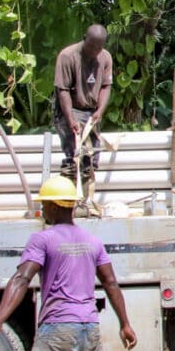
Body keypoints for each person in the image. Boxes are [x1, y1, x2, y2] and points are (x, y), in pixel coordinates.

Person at [0, 175, 136, 351]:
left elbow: (21, 279)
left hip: (58, 326)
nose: (41, 209)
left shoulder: (42, 239)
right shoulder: (92, 241)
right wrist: (125, 323)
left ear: (54, 206)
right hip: (88, 326)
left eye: (44, 204)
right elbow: (111, 283)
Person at [53, 25, 113, 211]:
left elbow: (105, 86)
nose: (95, 52)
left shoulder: (105, 57)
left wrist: (100, 110)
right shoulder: (67, 56)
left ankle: (86, 201)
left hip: (92, 111)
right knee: (75, 156)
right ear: (84, 39)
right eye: (92, 46)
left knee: (91, 159)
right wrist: (70, 119)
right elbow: (62, 91)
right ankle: (65, 205)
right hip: (70, 108)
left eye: (99, 48)